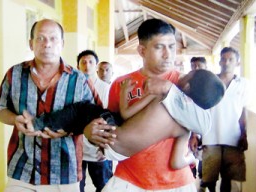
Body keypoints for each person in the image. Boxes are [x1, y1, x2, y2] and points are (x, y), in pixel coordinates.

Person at [83, 18, 216, 192]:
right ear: (142, 51)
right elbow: (114, 125)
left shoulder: (186, 84)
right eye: (159, 47)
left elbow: (205, 125)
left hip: (176, 183)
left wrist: (169, 89)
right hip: (129, 179)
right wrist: (92, 133)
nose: (168, 54)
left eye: (171, 47)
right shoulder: (122, 83)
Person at [29, 69, 225, 166]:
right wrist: (193, 158)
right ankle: (61, 129)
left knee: (81, 109)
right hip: (122, 152)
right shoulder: (185, 127)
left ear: (187, 86)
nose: (182, 75)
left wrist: (124, 94)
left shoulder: (163, 97)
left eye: (187, 75)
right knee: (82, 118)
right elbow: (176, 162)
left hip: (113, 134)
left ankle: (38, 123)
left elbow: (126, 114)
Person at [0, 19, 98, 192]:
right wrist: (15, 119)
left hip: (64, 173)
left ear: (62, 43)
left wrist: (72, 129)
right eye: (40, 38)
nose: (47, 44)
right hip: (21, 169)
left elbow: (94, 116)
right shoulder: (15, 74)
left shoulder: (80, 80)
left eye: (53, 38)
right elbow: (0, 108)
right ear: (31, 44)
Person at [200, 47, 248, 192]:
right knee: (209, 178)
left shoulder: (243, 84)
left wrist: (244, 134)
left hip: (233, 137)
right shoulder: (210, 82)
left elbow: (244, 111)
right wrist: (196, 134)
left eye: (230, 59)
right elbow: (201, 108)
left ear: (237, 63)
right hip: (210, 136)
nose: (226, 62)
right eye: (223, 59)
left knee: (228, 178)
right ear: (219, 61)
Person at [77, 50, 113, 192]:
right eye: (83, 62)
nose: (87, 65)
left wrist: (106, 147)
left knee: (103, 186)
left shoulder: (105, 89)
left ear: (96, 65)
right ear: (78, 65)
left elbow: (111, 120)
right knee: (77, 187)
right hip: (77, 148)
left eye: (91, 62)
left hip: (99, 149)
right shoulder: (73, 87)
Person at [188, 56, 207, 182]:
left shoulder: (210, 85)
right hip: (190, 129)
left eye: (199, 66)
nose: (196, 68)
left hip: (207, 130)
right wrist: (194, 134)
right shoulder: (186, 84)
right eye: (194, 66)